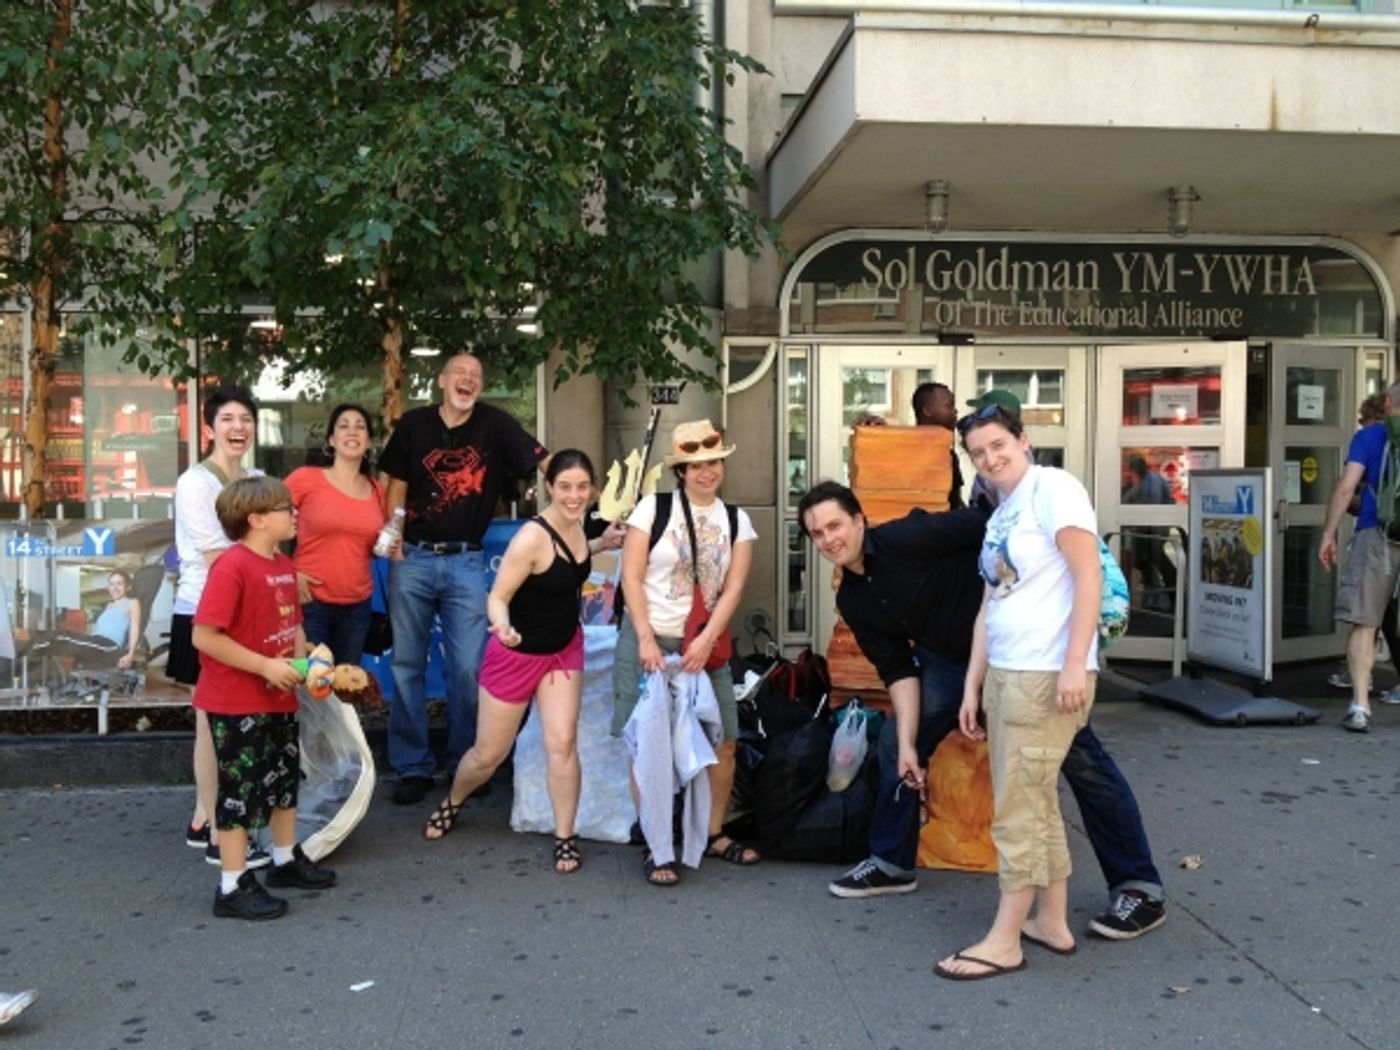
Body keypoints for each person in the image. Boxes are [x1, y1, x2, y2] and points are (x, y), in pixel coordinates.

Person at [800, 480, 1166, 944]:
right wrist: (910, 742)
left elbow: (986, 527)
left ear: (858, 519)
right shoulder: (852, 598)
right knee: (897, 741)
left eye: (835, 524)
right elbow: (898, 671)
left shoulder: (908, 538)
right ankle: (891, 863)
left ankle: (1139, 886)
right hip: (949, 666)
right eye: (817, 533)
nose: (829, 538)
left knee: (1082, 760)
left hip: (1019, 650)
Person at [935, 403, 1103, 980]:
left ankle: (1005, 938)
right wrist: (972, 682)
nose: (989, 459)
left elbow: (1089, 574)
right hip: (1010, 671)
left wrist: (1075, 663)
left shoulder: (1053, 488)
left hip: (1045, 672)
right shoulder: (1001, 511)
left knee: (1017, 808)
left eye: (997, 446)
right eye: (977, 454)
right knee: (1036, 798)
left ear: (1023, 440)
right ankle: (1050, 922)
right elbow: (990, 604)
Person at [422, 450, 622, 872]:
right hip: (515, 653)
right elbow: (497, 596)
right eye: (565, 486)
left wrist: (603, 542)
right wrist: (503, 626)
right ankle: (454, 799)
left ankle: (564, 836)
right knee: (487, 755)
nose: (574, 495)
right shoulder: (531, 537)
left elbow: (573, 560)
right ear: (549, 487)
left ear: (592, 489)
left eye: (582, 487)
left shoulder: (580, 525)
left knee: (562, 743)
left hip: (563, 649)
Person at [378, 352, 549, 805]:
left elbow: (543, 461)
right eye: (460, 373)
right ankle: (412, 766)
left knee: (470, 667)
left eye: (476, 375)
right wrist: (392, 529)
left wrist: (575, 488)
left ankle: (465, 763)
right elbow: (394, 482)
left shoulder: (496, 425)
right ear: (441, 380)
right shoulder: (414, 425)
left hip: (467, 563)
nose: (467, 380)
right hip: (411, 557)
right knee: (407, 665)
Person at [612, 419, 759, 885]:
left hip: (705, 644)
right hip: (647, 640)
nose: (706, 472)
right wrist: (645, 638)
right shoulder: (651, 511)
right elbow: (630, 577)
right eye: (695, 465)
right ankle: (657, 841)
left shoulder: (737, 520)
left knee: (725, 741)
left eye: (714, 462)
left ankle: (712, 832)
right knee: (646, 745)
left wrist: (706, 639)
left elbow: (734, 589)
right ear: (680, 471)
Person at [193, 475, 337, 921]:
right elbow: (204, 635)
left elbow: (291, 625)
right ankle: (231, 885)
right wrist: (264, 667)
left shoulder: (282, 563)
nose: (294, 514)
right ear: (256, 519)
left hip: (278, 697)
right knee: (239, 794)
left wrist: (305, 664)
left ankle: (284, 858)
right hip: (237, 700)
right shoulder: (233, 566)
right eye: (285, 508)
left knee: (282, 780)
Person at [171, 385, 269, 869]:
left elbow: (270, 544)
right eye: (228, 419)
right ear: (210, 428)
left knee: (230, 722)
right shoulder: (195, 483)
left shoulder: (256, 478)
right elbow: (219, 557)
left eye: (246, 419)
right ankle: (217, 829)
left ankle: (201, 818)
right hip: (203, 611)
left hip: (247, 611)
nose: (238, 427)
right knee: (213, 724)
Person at [1319, 380, 1400, 733]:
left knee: (1364, 622)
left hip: (1375, 535)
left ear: (1386, 402)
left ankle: (1360, 706)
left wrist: (1328, 533)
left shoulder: (1369, 437)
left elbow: (1347, 487)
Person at [286, 404, 386, 665]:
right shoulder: (305, 479)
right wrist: (289, 573)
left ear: (369, 442)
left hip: (357, 606)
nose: (352, 432)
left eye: (360, 426)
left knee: (344, 687)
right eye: (343, 426)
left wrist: (386, 544)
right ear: (331, 439)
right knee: (308, 684)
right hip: (311, 602)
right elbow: (265, 525)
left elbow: (371, 548)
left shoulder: (376, 490)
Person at [23, 570, 142, 672]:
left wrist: (130, 655)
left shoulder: (132, 603)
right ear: (108, 587)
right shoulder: (108, 606)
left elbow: (135, 628)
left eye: (119, 584)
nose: (115, 588)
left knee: (62, 636)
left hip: (109, 647)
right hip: (96, 642)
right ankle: (24, 651)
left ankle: (27, 637)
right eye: (112, 584)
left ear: (127, 586)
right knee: (55, 646)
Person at [911, 381, 966, 509]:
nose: (955, 411)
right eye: (949, 406)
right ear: (928, 411)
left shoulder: (948, 455)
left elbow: (955, 502)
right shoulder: (899, 451)